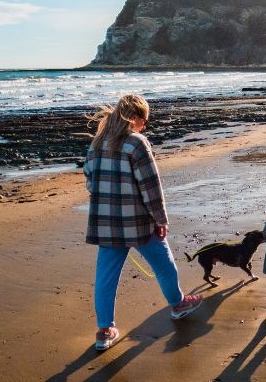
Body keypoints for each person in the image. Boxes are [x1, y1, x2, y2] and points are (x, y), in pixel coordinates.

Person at [83, 94, 202, 351]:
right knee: (164, 264)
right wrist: (161, 219)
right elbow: (151, 187)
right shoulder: (136, 143)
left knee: (105, 277)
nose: (144, 126)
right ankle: (178, 303)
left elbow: (91, 184)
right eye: (144, 120)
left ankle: (105, 330)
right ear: (134, 117)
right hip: (138, 223)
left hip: (106, 223)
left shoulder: (97, 144)